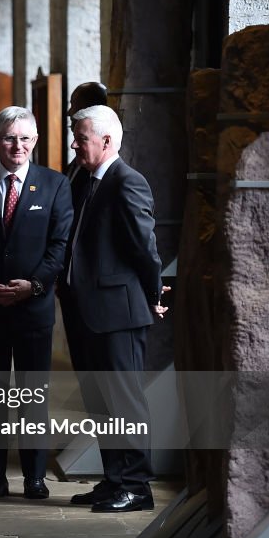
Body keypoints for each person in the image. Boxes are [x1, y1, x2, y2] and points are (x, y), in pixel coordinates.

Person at [0, 106, 73, 501]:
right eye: (8, 137)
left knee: (32, 395)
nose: (17, 145)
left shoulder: (55, 185)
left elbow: (60, 245)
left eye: (24, 138)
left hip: (33, 310)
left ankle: (35, 478)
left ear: (35, 141)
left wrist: (35, 285)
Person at [58, 105, 169, 513]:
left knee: (125, 403)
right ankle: (113, 480)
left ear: (106, 141)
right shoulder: (83, 180)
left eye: (80, 137)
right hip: (85, 312)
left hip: (117, 314)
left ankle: (137, 488)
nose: (74, 144)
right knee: (100, 404)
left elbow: (146, 249)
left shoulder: (127, 182)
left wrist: (153, 296)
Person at [65, 82, 108, 181]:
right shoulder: (79, 160)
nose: (68, 113)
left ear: (89, 108)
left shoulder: (100, 163)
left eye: (73, 105)